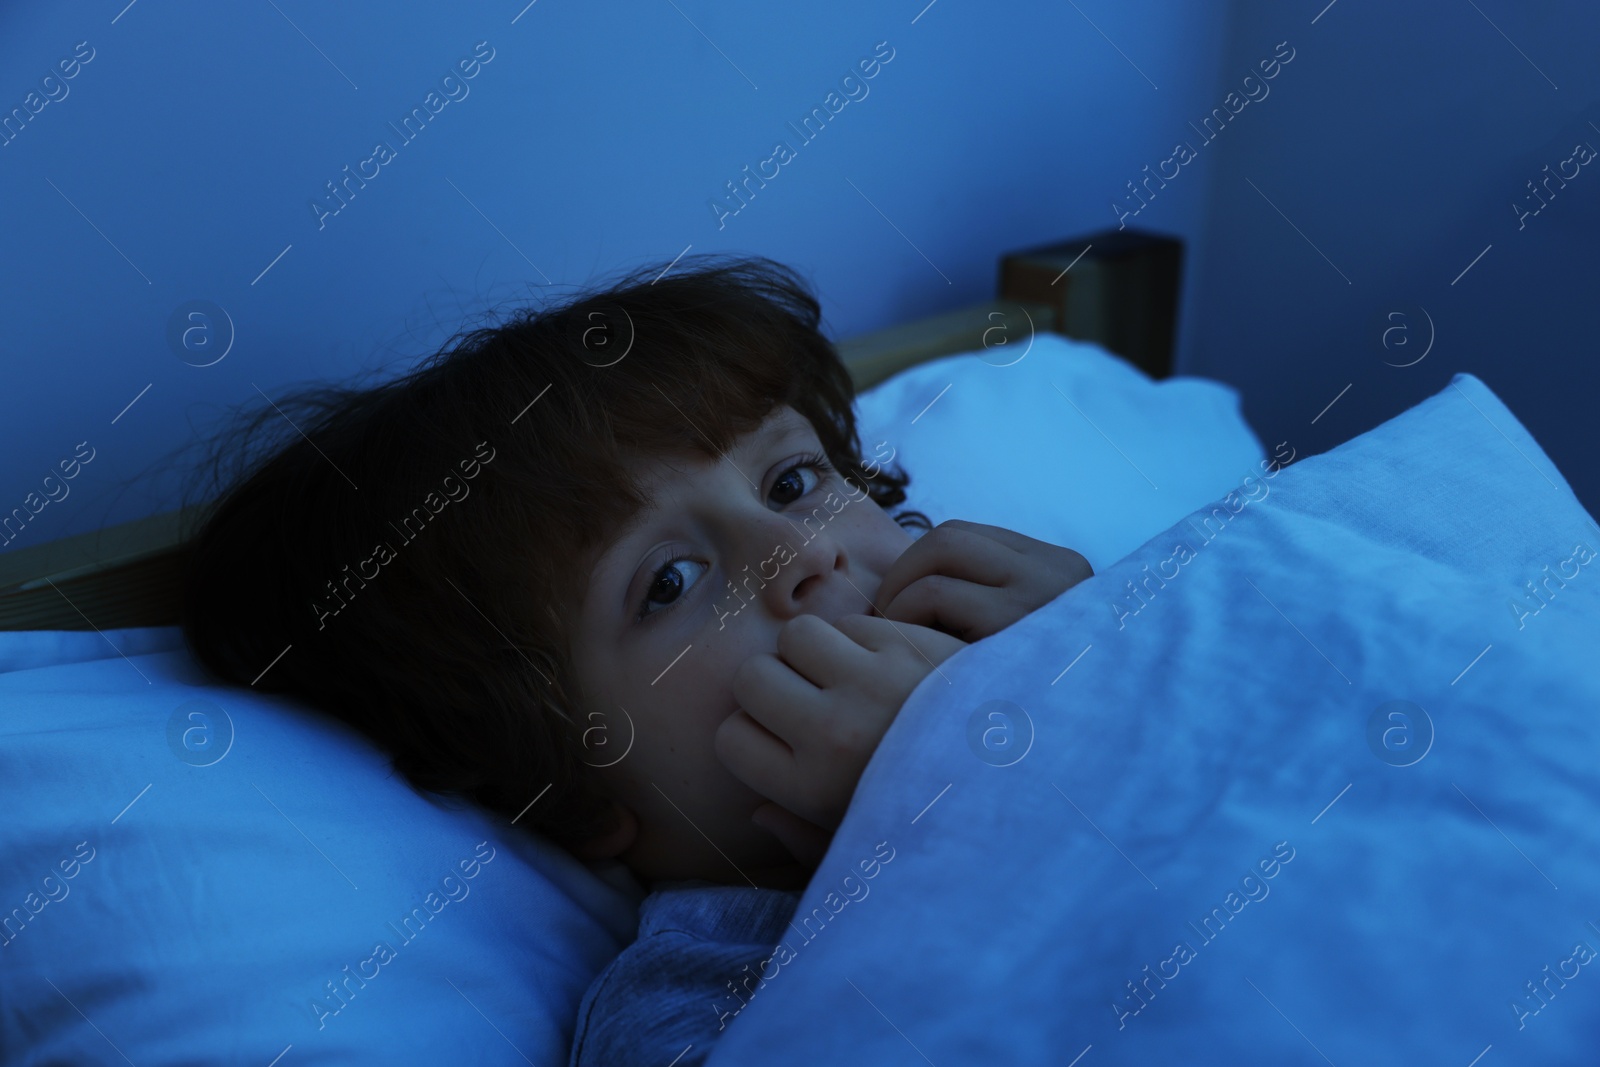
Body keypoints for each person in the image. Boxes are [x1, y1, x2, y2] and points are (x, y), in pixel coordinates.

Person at [179, 254, 1092, 1065]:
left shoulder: (1085, 640)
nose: (797, 551)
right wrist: (930, 798)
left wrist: (1108, 648)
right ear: (575, 794)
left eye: (794, 481)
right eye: (670, 581)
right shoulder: (690, 1002)